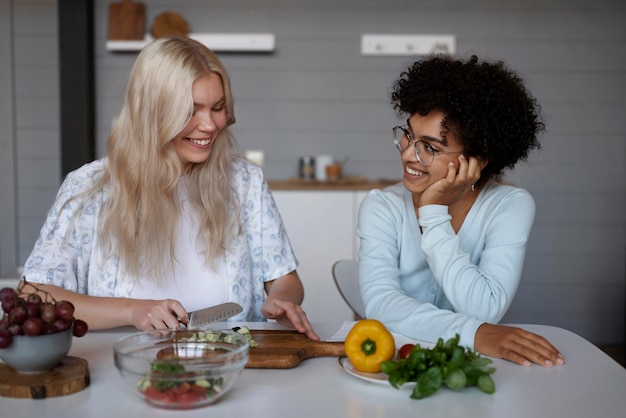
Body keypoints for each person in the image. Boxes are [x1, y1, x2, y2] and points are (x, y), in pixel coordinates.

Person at [20, 36, 318, 340]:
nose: (211, 125)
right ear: (151, 113)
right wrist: (132, 311)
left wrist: (282, 300)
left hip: (232, 365)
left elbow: (285, 280)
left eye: (217, 108)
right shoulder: (91, 188)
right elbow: (35, 294)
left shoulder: (245, 182)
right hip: (120, 367)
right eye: (191, 110)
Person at [356, 55, 564, 367]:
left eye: (431, 148)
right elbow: (381, 305)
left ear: (476, 162)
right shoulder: (381, 206)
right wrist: (474, 332)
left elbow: (484, 309)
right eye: (409, 135)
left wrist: (433, 211)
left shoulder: (510, 206)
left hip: (464, 367)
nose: (409, 155)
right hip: (394, 363)